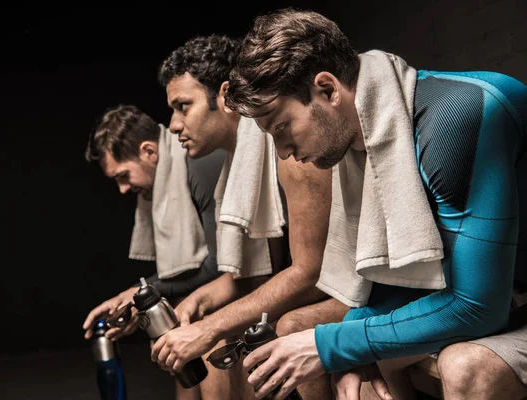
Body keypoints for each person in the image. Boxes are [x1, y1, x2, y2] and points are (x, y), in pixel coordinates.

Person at [225, 7, 527, 400]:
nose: (282, 152)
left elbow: (478, 307)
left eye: (281, 127)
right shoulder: (365, 138)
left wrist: (335, 345)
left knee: (466, 367)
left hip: (501, 298)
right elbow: (410, 279)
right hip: (508, 292)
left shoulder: (457, 119)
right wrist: (349, 347)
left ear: (328, 89)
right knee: (356, 354)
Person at [150, 35, 349, 400]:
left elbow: (312, 274)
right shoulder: (237, 167)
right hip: (313, 290)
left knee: (272, 326)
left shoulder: (292, 151)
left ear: (225, 96)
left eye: (183, 106)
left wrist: (209, 328)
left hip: (349, 291)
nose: (174, 125)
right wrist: (200, 302)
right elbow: (254, 276)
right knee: (210, 324)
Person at [81, 104, 231, 400]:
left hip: (257, 278)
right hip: (220, 283)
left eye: (123, 175)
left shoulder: (199, 164)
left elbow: (220, 266)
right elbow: (187, 269)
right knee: (171, 315)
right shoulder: (168, 173)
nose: (122, 189)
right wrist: (142, 299)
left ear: (149, 151)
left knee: (197, 316)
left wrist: (142, 292)